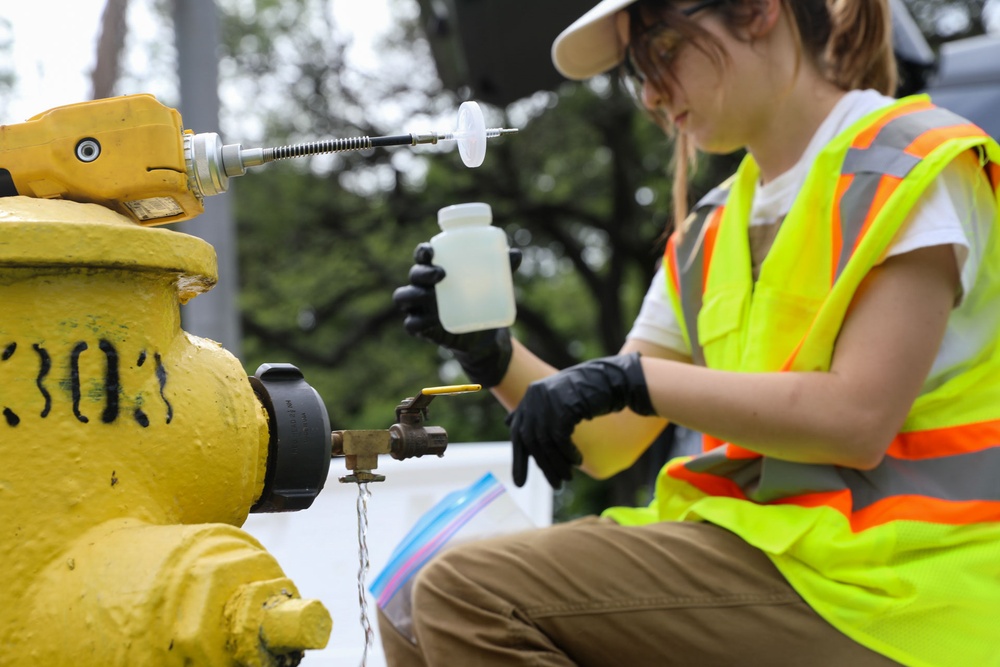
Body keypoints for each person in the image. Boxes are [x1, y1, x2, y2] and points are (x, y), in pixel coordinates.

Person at [386, 0, 1000, 664]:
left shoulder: (909, 164)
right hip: (771, 562)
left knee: (465, 592)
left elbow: (856, 418)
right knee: (408, 598)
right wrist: (492, 353)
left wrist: (634, 380)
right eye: (636, 71)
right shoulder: (711, 230)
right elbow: (605, 441)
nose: (651, 92)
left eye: (663, 49)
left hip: (908, 588)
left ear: (759, 11)